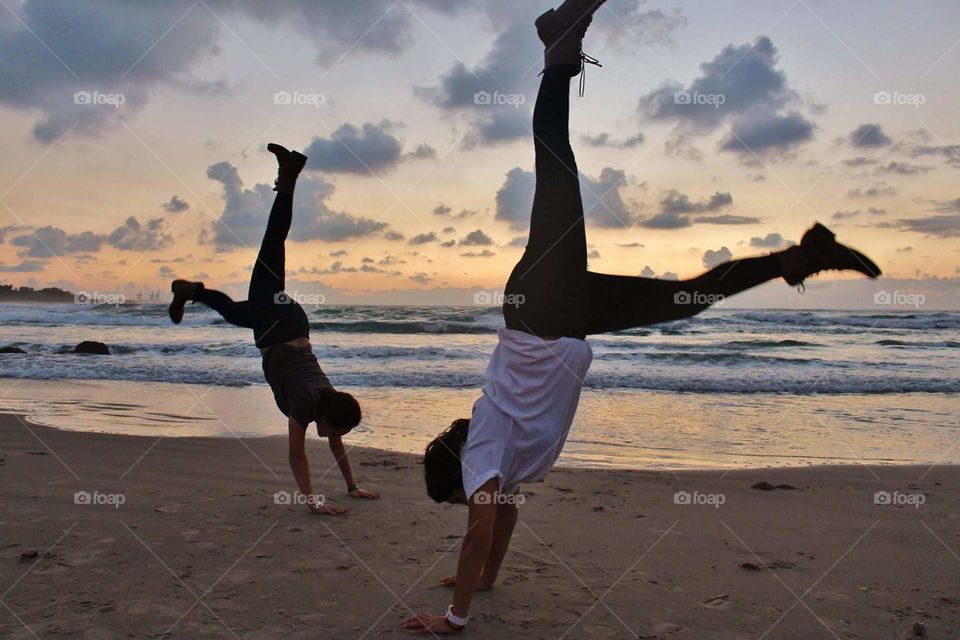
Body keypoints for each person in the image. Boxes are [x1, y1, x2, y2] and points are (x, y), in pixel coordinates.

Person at [404, 0, 881, 633]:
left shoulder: (484, 455)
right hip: (564, 318)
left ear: (460, 475)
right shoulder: (500, 462)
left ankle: (556, 52)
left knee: (557, 173)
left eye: (461, 498)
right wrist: (488, 578)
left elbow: (478, 532)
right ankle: (798, 257)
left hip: (541, 311)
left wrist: (455, 617)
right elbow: (503, 520)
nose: (473, 504)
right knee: (683, 300)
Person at [167, 144, 380, 516]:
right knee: (273, 243)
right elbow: (297, 455)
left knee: (234, 313)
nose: (335, 437)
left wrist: (352, 486)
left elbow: (335, 443)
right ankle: (289, 176)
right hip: (278, 326)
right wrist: (313, 503)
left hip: (287, 323)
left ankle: (190, 291)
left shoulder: (329, 400)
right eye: (335, 430)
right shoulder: (304, 402)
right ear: (325, 418)